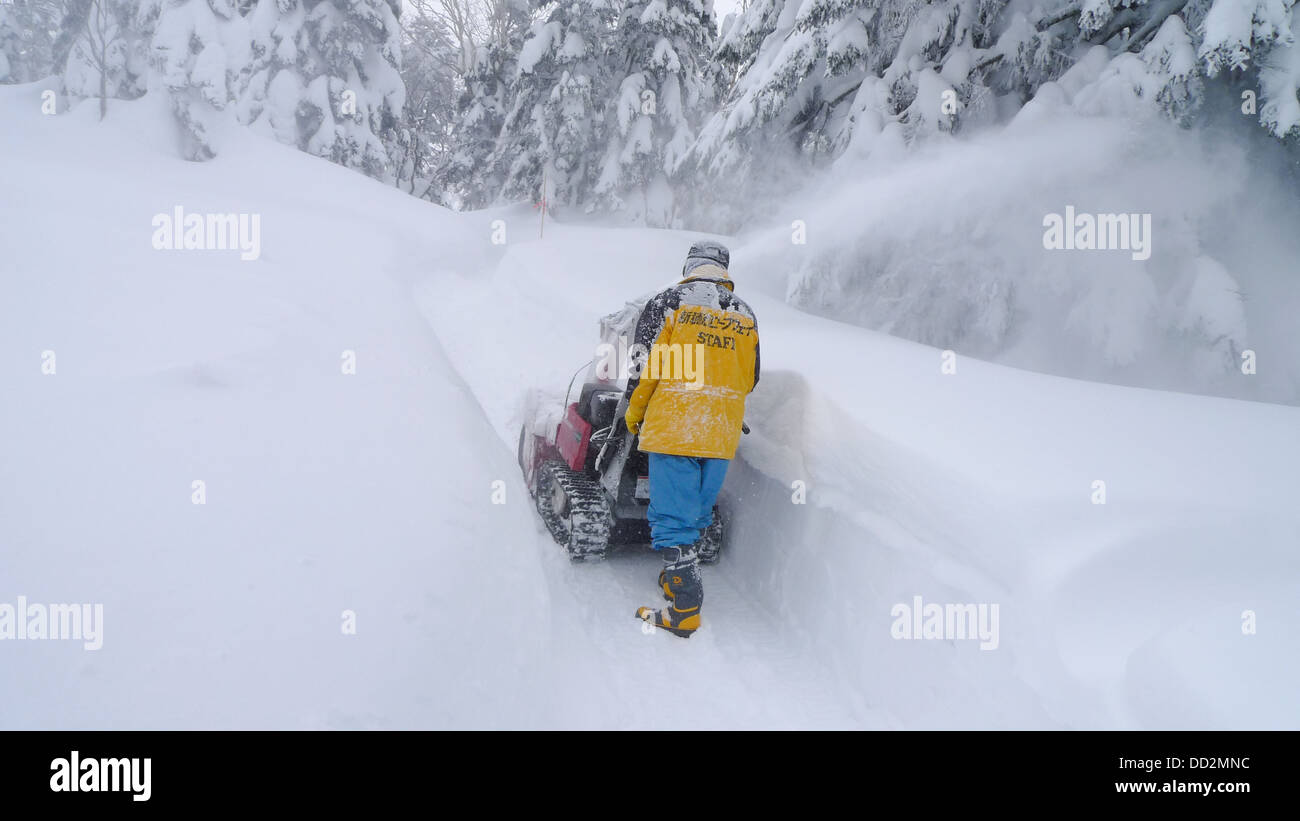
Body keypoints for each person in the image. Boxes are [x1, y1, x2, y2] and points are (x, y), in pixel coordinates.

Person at [622, 240, 760, 638]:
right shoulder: (745, 314)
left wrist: (634, 415)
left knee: (672, 521)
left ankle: (684, 611)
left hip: (674, 427)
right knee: (696, 515)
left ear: (690, 266)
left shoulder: (669, 302)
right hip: (720, 432)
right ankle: (674, 576)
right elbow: (749, 378)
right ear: (724, 270)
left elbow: (643, 368)